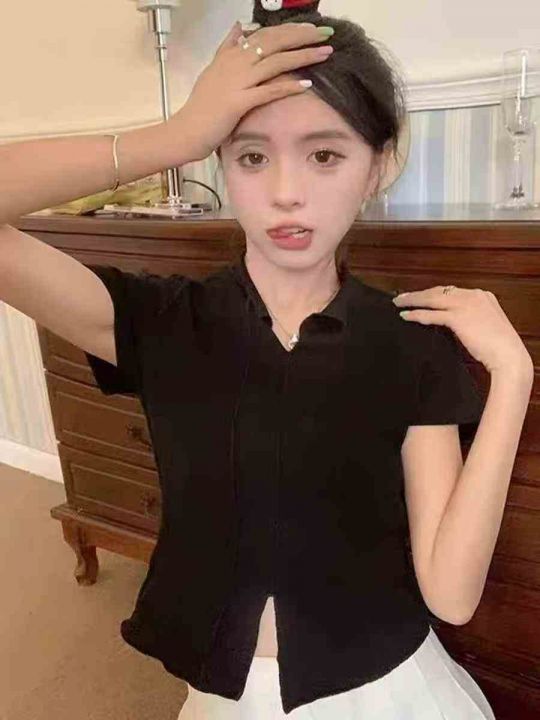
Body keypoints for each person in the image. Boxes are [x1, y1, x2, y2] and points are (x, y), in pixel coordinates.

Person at [1, 1, 525, 718]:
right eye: (251, 155)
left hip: (383, 691)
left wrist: (513, 379)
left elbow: (453, 596)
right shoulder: (163, 322)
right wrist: (174, 136)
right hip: (227, 697)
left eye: (325, 155)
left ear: (379, 165)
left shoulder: (411, 343)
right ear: (218, 159)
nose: (286, 193)